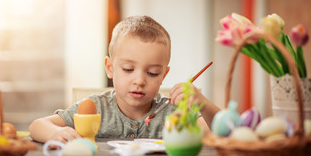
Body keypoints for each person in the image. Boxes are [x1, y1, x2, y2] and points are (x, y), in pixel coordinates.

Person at [29, 15, 220, 144]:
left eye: (152, 73)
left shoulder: (174, 114)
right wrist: (55, 133)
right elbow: (37, 125)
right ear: (110, 68)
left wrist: (204, 105)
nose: (139, 80)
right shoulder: (96, 108)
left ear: (163, 75)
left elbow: (222, 133)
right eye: (128, 69)